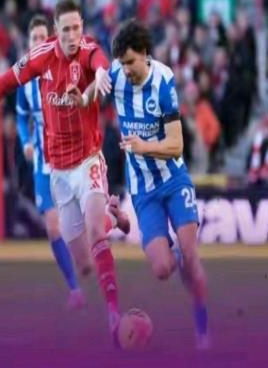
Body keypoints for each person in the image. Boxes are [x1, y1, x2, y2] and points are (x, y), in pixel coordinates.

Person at [0, 0, 128, 343]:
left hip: (88, 161)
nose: (72, 36)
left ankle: (114, 316)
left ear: (82, 27)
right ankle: (113, 216)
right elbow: (2, 83)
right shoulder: (41, 57)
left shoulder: (88, 49)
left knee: (96, 234)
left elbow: (99, 60)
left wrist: (102, 73)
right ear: (55, 31)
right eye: (66, 30)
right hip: (58, 173)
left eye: (76, 28)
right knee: (83, 264)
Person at [71, 19, 210, 348]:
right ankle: (178, 256)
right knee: (162, 269)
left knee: (191, 254)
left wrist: (143, 146)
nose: (126, 70)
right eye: (121, 63)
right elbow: (95, 91)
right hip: (144, 190)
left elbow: (176, 145)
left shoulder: (163, 81)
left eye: (131, 62)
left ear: (145, 54)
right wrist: (83, 98)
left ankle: (202, 321)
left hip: (173, 179)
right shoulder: (117, 74)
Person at [15, 14, 85, 310]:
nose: (39, 42)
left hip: (73, 157)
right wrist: (26, 142)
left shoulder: (67, 68)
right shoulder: (25, 80)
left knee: (82, 223)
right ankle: (75, 289)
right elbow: (21, 116)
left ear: (52, 39)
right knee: (53, 228)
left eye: (43, 37)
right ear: (29, 43)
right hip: (43, 165)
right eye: (34, 38)